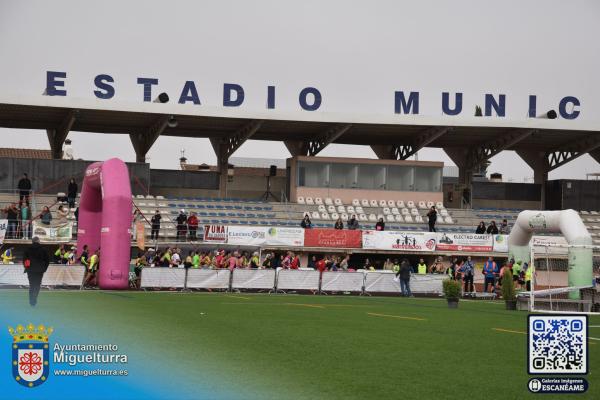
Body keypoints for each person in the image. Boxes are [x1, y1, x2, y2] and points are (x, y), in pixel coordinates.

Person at [22, 237, 50, 306]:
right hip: (39, 271)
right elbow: (47, 260)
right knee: (37, 285)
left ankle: (31, 300)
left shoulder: (27, 249)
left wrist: (27, 267)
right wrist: (44, 269)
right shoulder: (43, 249)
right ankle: (34, 299)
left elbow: (24, 260)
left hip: (30, 270)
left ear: (32, 241)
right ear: (38, 241)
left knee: (31, 285)